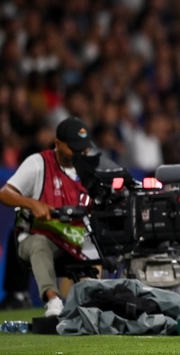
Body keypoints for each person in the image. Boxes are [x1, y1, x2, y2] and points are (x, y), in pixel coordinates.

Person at [0, 116, 95, 317]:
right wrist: (32, 203)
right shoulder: (38, 163)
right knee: (38, 243)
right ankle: (53, 301)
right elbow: (4, 193)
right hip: (38, 235)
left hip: (74, 237)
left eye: (83, 147)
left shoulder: (90, 167)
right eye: (74, 148)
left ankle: (91, 300)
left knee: (97, 243)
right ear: (58, 144)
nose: (80, 152)